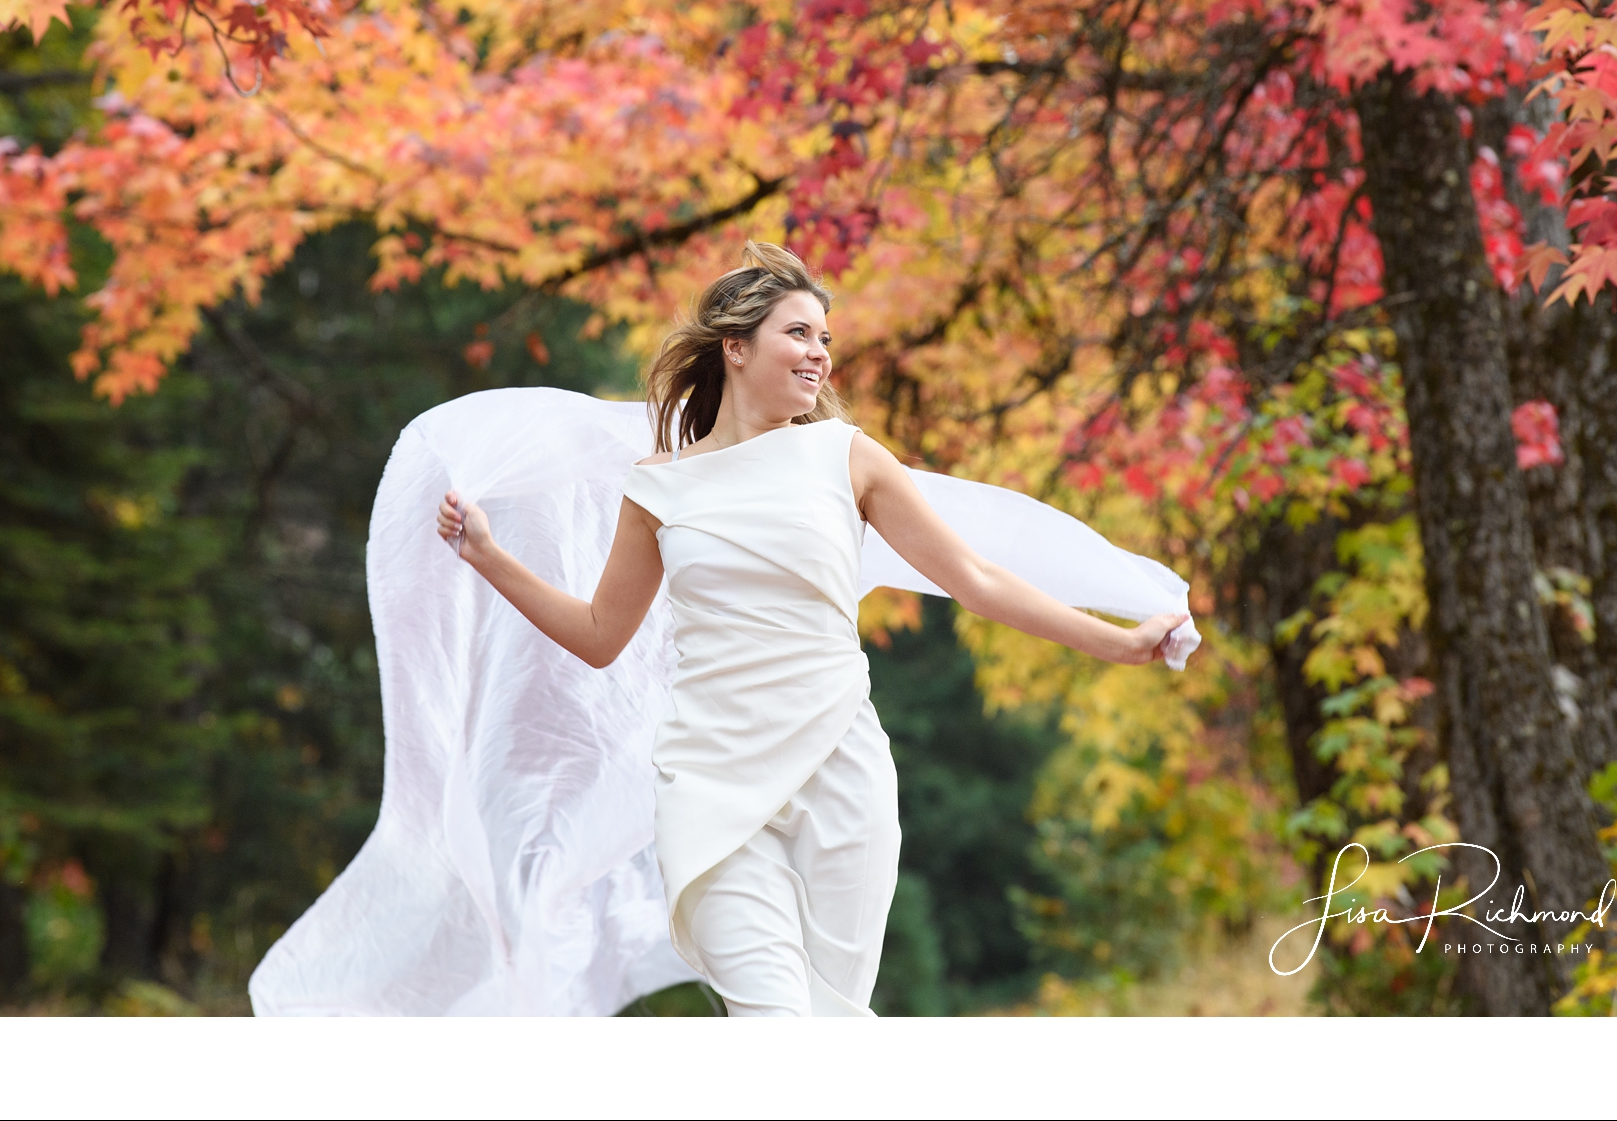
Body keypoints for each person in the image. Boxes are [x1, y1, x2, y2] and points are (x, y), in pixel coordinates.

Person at [431, 242, 1192, 1016]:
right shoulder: (659, 485)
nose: (819, 354)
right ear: (736, 346)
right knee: (775, 1022)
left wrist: (1118, 640)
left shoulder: (849, 458)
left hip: (840, 771)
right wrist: (488, 556)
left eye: (825, 339)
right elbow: (599, 633)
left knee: (831, 1026)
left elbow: (977, 579)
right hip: (711, 779)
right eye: (799, 333)